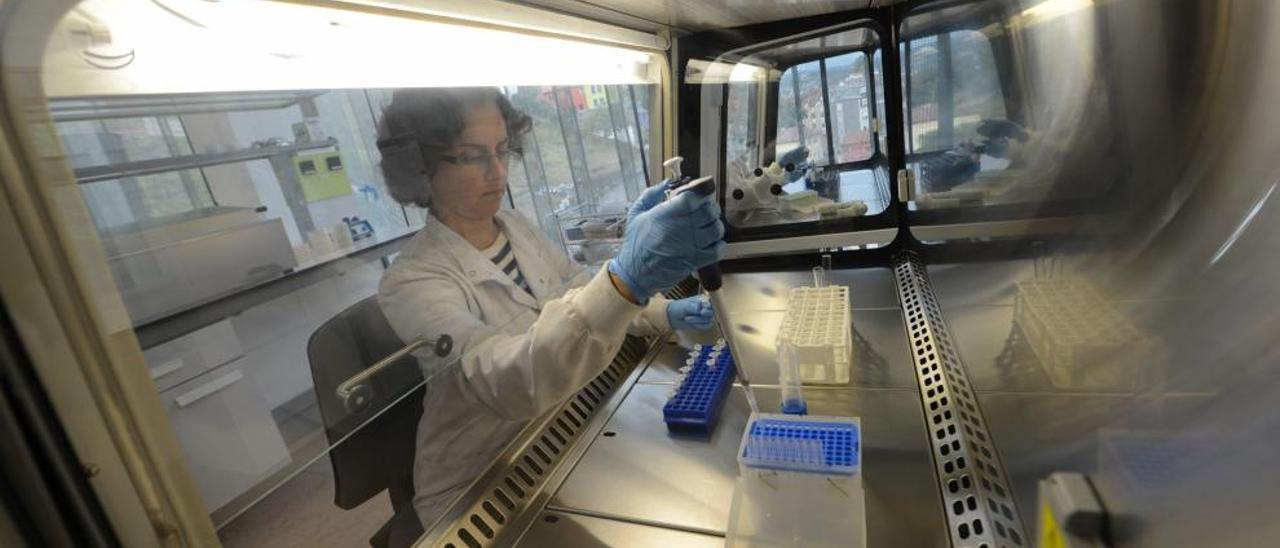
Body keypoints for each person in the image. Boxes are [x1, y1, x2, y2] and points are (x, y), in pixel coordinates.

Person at [374, 87, 725, 533]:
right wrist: (624, 280)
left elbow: (579, 290)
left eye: (502, 150)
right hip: (481, 484)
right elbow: (507, 384)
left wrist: (659, 312)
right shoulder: (411, 281)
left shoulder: (514, 226)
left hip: (559, 428)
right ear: (420, 167)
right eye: (470, 155)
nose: (497, 171)